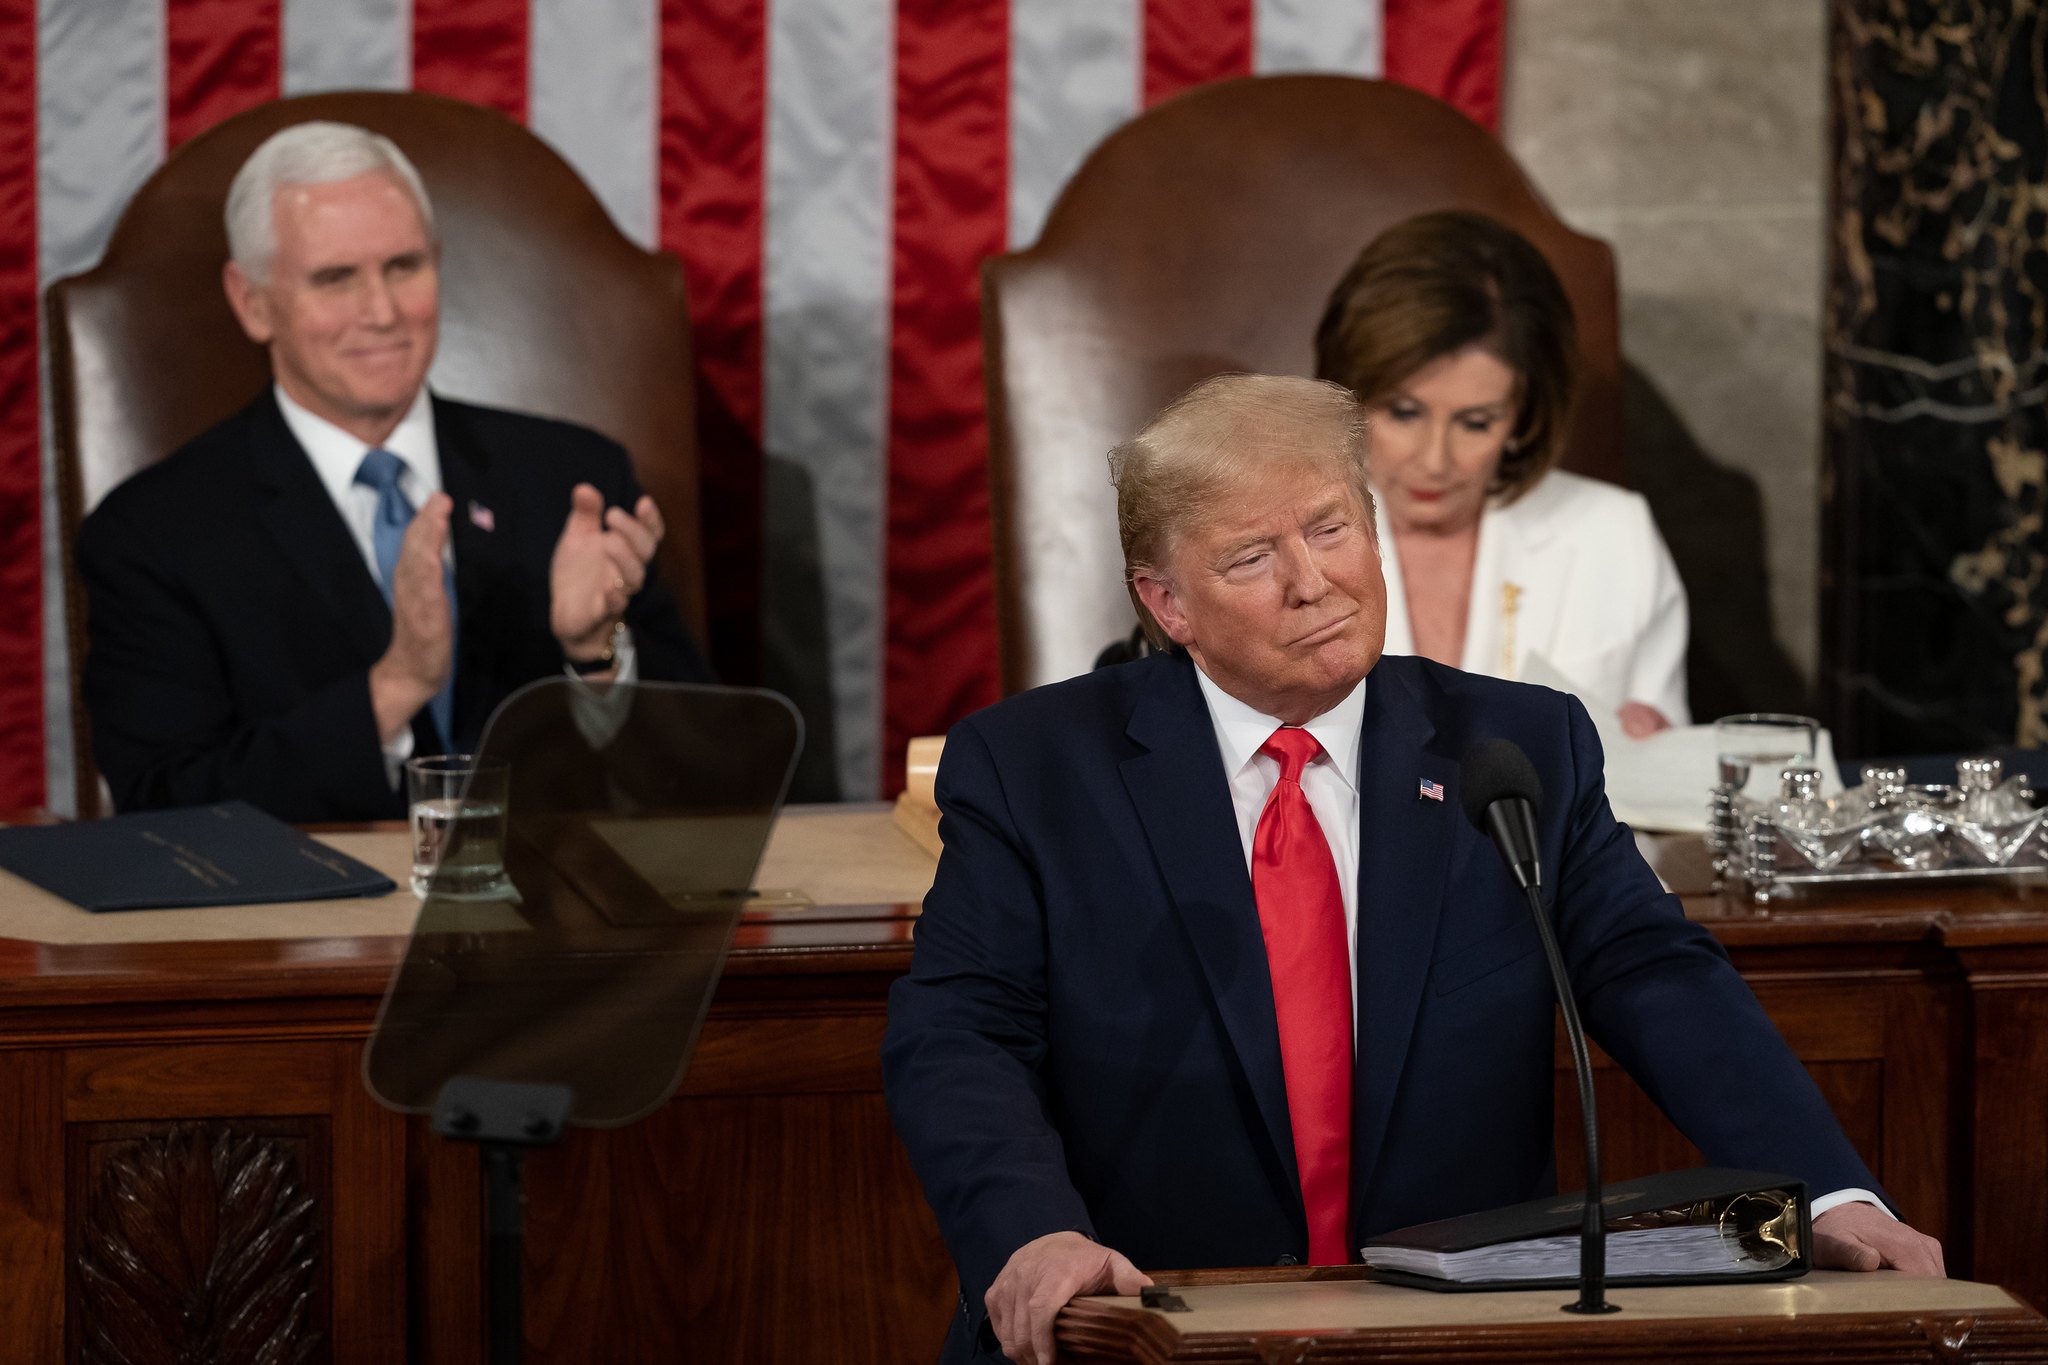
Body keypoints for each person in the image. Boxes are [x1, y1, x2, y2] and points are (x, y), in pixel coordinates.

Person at [882, 375, 1940, 1365]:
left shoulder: (1515, 747)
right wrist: (1030, 1236)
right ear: (1167, 604)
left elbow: (1650, 970)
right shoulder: (1033, 769)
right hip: (1139, 1322)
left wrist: (1835, 1196)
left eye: (1331, 528)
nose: (1312, 583)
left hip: (1448, 1333)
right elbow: (958, 1029)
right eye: (1250, 558)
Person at [78, 121, 709, 822]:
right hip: (304, 926)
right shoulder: (155, 532)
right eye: (335, 278)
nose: (381, 312)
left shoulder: (574, 481)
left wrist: (596, 657)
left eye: (404, 266)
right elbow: (165, 809)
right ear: (252, 301)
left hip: (556, 915)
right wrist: (396, 683)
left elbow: (704, 774)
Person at [1314, 209, 1685, 738]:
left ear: (1524, 417)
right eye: (1404, 413)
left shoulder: (1615, 536)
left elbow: (1669, 791)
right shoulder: (1274, 540)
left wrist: (1654, 755)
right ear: (1352, 394)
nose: (1435, 460)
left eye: (1475, 422)